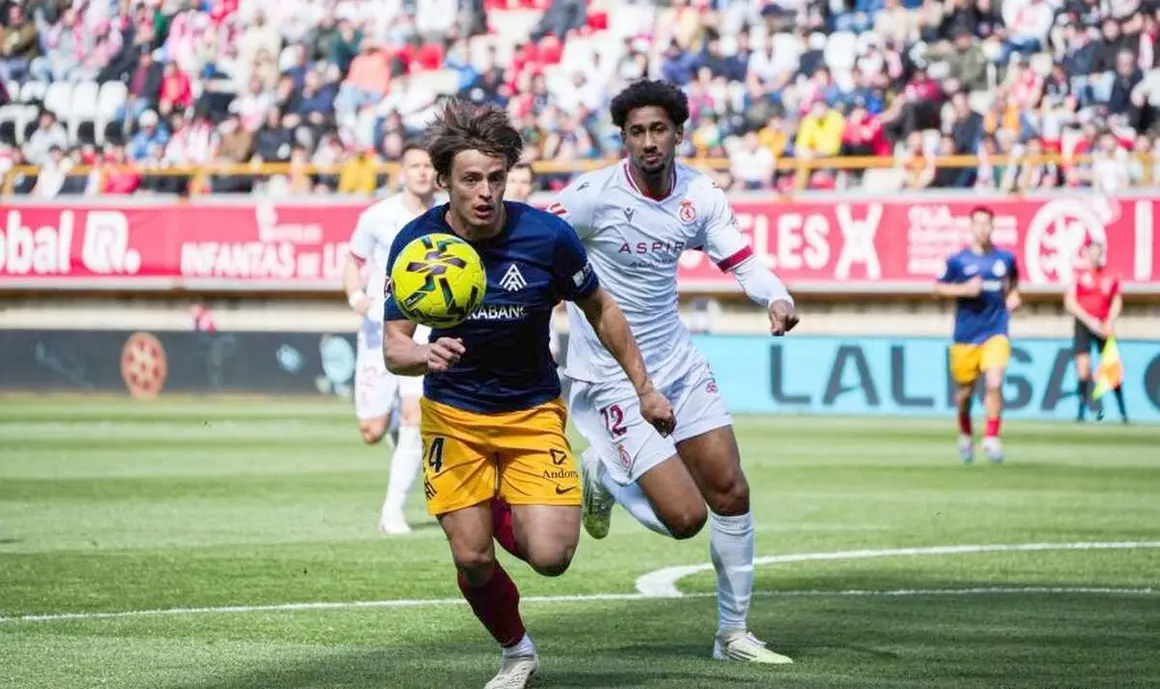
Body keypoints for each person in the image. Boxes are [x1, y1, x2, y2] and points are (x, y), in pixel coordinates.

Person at [382, 99, 675, 689]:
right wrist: (424, 355)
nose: (486, 192)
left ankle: (539, 491)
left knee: (551, 558)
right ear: (443, 180)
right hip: (453, 415)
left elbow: (602, 310)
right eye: (471, 179)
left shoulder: (547, 236)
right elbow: (394, 346)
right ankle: (517, 652)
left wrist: (645, 389)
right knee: (472, 557)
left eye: (496, 178)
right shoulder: (418, 244)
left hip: (531, 411)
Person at [551, 79, 798, 665]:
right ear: (623, 138)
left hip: (679, 365)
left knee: (731, 491)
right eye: (636, 132)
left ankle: (733, 635)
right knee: (685, 519)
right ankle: (604, 474)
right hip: (611, 376)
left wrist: (776, 296)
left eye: (658, 129)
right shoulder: (590, 197)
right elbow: (535, 240)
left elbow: (741, 258)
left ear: (679, 133)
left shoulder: (700, 195)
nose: (648, 141)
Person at [342, 142, 440, 535]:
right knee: (372, 430)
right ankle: (398, 429)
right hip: (379, 329)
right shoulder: (377, 216)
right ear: (402, 172)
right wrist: (357, 298)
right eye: (415, 165)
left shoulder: (447, 214)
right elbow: (353, 261)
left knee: (417, 412)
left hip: (424, 329)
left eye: (428, 166)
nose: (422, 172)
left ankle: (392, 511)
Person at [933, 206, 1022, 463]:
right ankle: (965, 433)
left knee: (994, 382)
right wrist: (964, 289)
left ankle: (992, 438)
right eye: (978, 224)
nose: (982, 229)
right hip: (965, 336)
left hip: (996, 330)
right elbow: (937, 288)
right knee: (964, 394)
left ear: (993, 227)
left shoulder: (1005, 259)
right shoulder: (958, 261)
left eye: (987, 224)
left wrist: (1014, 296)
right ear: (971, 227)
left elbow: (1013, 285)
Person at [1065, 238, 1127, 422]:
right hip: (1084, 325)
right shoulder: (1078, 276)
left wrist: (1110, 321)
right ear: (1086, 254)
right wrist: (1090, 321)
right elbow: (1070, 302)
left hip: (1104, 325)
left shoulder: (1111, 276)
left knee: (1112, 369)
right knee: (1083, 369)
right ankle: (1081, 414)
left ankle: (1123, 414)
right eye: (1091, 253)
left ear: (1102, 254)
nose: (1095, 257)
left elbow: (1116, 300)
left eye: (1098, 253)